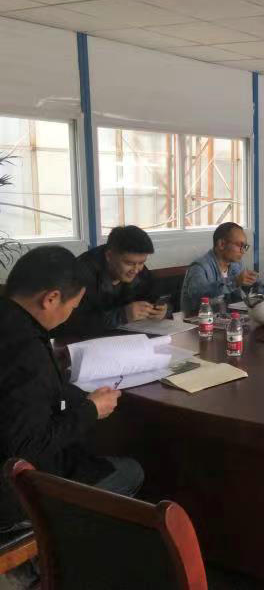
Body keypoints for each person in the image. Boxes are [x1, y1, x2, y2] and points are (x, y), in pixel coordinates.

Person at [0, 247, 144, 585]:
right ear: (51, 298)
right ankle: (49, 562)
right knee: (129, 472)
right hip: (9, 497)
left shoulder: (10, 322)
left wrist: (73, 396)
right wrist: (91, 410)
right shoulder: (25, 351)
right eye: (73, 306)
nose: (70, 314)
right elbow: (27, 446)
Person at [57, 225, 164, 336]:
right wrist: (122, 315)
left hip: (125, 340)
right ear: (109, 256)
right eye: (129, 263)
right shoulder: (81, 274)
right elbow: (70, 323)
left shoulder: (138, 269)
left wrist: (161, 311)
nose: (136, 270)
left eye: (141, 262)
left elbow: (154, 297)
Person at [180, 222, 258, 314]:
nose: (243, 251)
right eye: (239, 245)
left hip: (229, 319)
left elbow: (242, 296)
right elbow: (200, 294)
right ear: (222, 244)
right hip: (202, 320)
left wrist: (254, 285)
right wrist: (235, 282)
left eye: (244, 247)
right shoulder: (199, 267)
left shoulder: (236, 265)